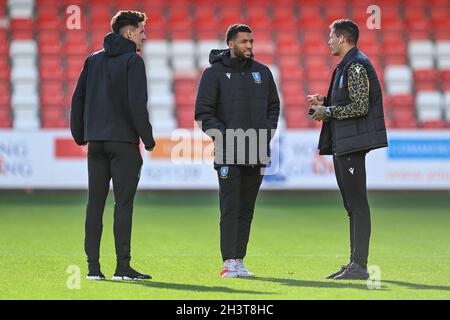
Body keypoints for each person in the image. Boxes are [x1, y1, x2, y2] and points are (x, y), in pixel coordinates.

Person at [71, 10, 155, 281]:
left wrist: (80, 134)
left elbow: (78, 99)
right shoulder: (133, 61)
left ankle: (93, 268)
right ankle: (123, 268)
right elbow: (136, 105)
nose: (144, 36)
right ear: (129, 32)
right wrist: (148, 138)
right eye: (142, 31)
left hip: (96, 144)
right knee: (123, 204)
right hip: (123, 144)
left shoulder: (93, 60)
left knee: (94, 204)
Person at [195, 24, 280, 278]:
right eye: (244, 42)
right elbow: (203, 115)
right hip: (227, 153)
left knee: (246, 209)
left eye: (251, 41)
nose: (249, 46)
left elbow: (274, 107)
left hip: (256, 151)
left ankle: (240, 260)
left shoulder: (262, 73)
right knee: (230, 208)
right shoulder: (214, 74)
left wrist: (265, 132)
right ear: (231, 44)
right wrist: (226, 138)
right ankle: (228, 262)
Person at [308, 19, 388, 280]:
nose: (328, 41)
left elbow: (360, 106)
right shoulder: (349, 64)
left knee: (357, 204)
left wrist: (327, 111)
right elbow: (351, 101)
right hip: (346, 141)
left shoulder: (355, 66)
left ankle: (359, 266)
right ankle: (355, 262)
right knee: (352, 204)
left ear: (342, 38)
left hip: (352, 143)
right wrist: (326, 101)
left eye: (331, 36)